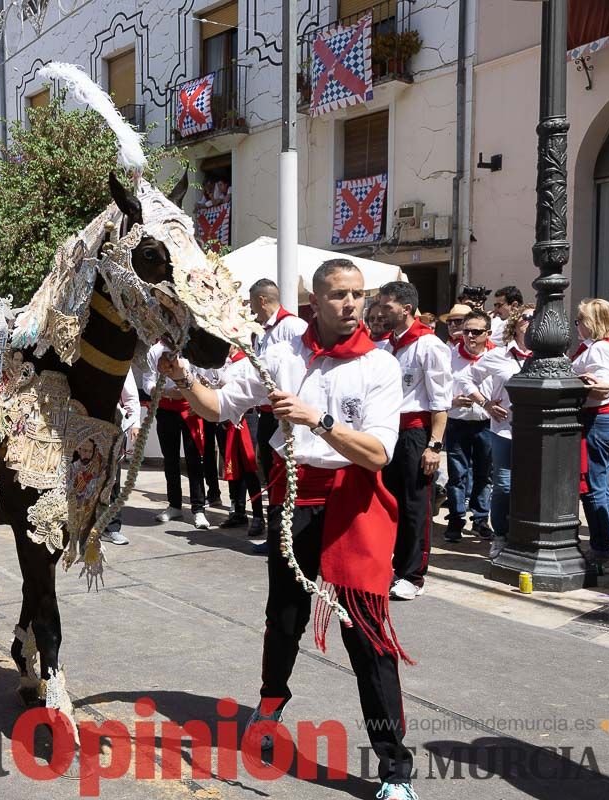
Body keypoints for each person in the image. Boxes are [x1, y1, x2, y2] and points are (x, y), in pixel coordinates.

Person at [158, 259, 416, 800]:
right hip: (292, 495)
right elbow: (215, 406)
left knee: (367, 633)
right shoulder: (280, 353)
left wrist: (316, 419)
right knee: (285, 615)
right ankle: (271, 704)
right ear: (315, 302)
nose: (351, 305)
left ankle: (394, 771)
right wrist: (181, 376)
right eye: (339, 296)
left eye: (357, 295)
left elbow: (377, 453)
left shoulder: (379, 366)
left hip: (354, 501)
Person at [374, 281, 451, 601]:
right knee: (388, 503)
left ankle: (412, 574)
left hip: (415, 433)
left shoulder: (429, 345)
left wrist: (434, 445)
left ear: (406, 309)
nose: (380, 312)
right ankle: (392, 566)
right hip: (388, 432)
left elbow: (440, 401)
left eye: (387, 306)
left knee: (414, 506)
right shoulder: (387, 345)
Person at [461, 306, 532, 559]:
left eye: (537, 318)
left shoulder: (549, 357)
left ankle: (525, 536)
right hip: (505, 430)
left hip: (538, 434)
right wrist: (486, 403)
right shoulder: (499, 355)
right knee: (503, 485)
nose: (532, 321)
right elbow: (466, 379)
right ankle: (501, 535)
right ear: (515, 324)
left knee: (533, 486)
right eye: (527, 317)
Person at [248, 278, 307, 552]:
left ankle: (288, 537)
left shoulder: (292, 327)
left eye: (251, 302)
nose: (250, 309)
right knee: (270, 472)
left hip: (285, 414)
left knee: (284, 473)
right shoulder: (263, 332)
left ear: (262, 300)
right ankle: (276, 536)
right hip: (266, 412)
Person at [144, 340, 217, 529]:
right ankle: (174, 505)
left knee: (194, 459)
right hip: (166, 408)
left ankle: (198, 509)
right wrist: (166, 392)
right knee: (170, 459)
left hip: (190, 408)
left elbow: (206, 375)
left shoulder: (190, 346)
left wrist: (197, 394)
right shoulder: (155, 350)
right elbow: (148, 382)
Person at [443, 310, 495, 543]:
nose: (470, 336)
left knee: (484, 474)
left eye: (476, 332)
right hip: (457, 421)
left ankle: (481, 519)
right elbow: (439, 389)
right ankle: (455, 518)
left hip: (487, 423)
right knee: (457, 474)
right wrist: (451, 401)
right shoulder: (449, 356)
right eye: (466, 331)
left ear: (488, 334)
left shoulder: (497, 357)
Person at [571, 298, 609, 567]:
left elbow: (603, 387)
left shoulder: (598, 349)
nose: (577, 325)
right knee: (602, 485)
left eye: (581, 320)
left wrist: (582, 383)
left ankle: (601, 546)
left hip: (598, 419)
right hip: (603, 419)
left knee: (594, 486)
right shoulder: (603, 346)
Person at [216, 348, 264, 536]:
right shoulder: (223, 362)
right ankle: (238, 510)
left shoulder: (248, 361)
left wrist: (240, 411)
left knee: (249, 466)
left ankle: (258, 515)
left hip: (245, 417)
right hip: (226, 417)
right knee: (231, 464)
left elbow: (255, 391)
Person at [100, 371, 141, 546]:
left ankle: (111, 528)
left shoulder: (119, 357)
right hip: (80, 421)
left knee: (112, 479)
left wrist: (135, 423)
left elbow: (130, 395)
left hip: (112, 424)